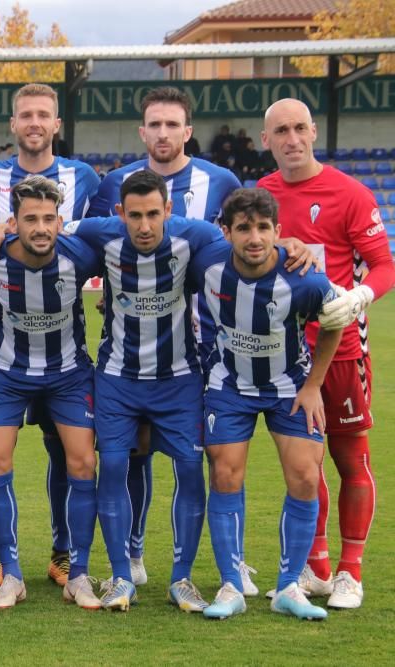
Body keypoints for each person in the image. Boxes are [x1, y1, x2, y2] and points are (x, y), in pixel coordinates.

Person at [85, 87, 243, 590]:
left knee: (195, 470)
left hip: (185, 366)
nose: (163, 133)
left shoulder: (202, 222)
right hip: (117, 374)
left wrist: (288, 245)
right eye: (154, 124)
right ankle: (122, 568)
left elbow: (247, 245)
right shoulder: (104, 211)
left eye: (172, 124)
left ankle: (185, 575)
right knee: (115, 464)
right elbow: (50, 234)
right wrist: (2, 231)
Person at [258, 98, 395, 610]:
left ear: (313, 132)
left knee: (349, 459)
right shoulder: (260, 198)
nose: (291, 139)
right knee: (303, 465)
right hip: (285, 354)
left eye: (299, 128)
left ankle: (350, 572)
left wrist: (360, 296)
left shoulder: (350, 194)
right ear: (265, 139)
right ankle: (314, 568)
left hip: (341, 353)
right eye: (280, 131)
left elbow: (383, 266)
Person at [190, 188, 347, 620]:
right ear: (227, 232)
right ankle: (231, 584)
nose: (254, 237)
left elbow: (334, 321)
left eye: (263, 228)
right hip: (229, 384)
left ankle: (287, 587)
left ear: (279, 232)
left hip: (290, 387)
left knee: (305, 476)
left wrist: (314, 385)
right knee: (225, 473)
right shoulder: (208, 264)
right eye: (244, 228)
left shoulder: (305, 279)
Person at [0, 83, 99, 590]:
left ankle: (64, 551)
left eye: (43, 114)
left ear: (56, 124)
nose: (34, 123)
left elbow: (107, 234)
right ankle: (0, 556)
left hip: (66, 347)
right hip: (4, 342)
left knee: (64, 450)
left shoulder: (84, 177)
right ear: (13, 123)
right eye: (26, 114)